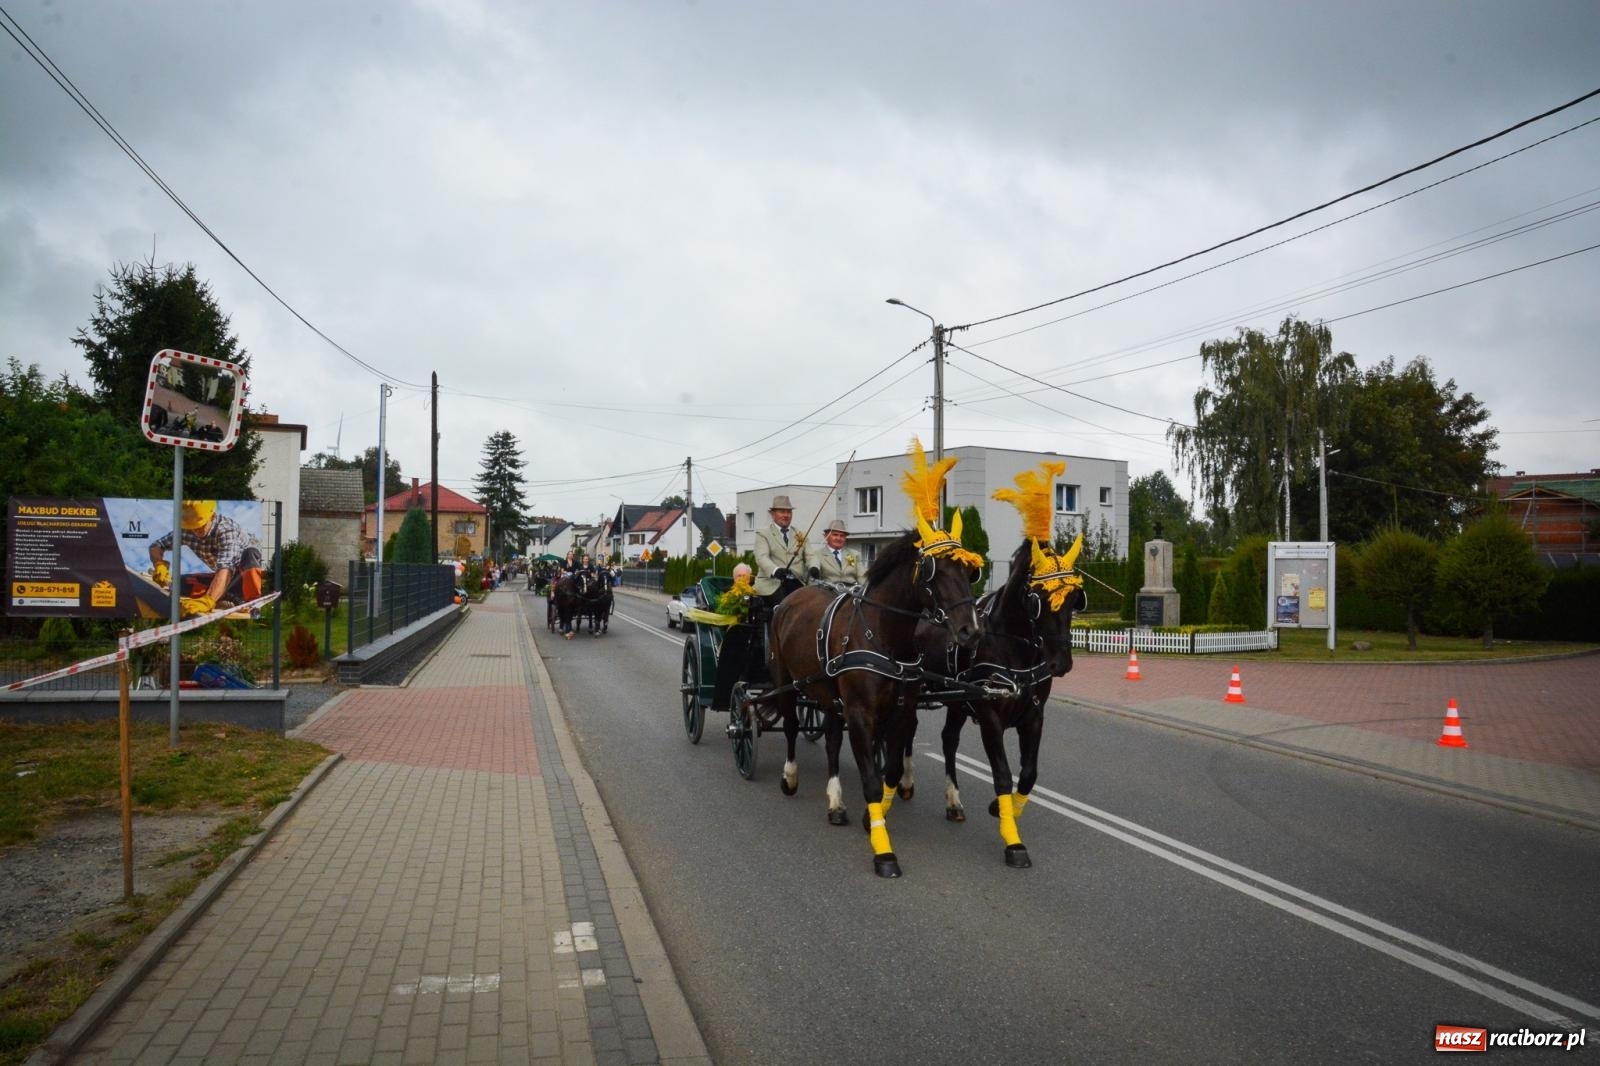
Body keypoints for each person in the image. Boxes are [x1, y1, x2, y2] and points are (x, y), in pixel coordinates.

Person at [148, 500, 264, 618]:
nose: (196, 530)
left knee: (251, 553)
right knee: (180, 583)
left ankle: (252, 602)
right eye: (192, 527)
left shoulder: (226, 530)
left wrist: (208, 600)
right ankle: (229, 597)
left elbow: (226, 568)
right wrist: (159, 564)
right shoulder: (187, 529)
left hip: (242, 577)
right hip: (222, 578)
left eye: (201, 525)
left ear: (212, 516)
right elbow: (156, 546)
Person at [752, 494, 808, 596]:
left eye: (789, 512)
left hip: (797, 583)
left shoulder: (801, 534)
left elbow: (811, 556)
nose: (786, 515)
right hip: (771, 585)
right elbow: (761, 557)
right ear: (773, 514)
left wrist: (814, 567)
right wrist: (775, 570)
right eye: (782, 511)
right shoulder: (763, 533)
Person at [807, 519, 863, 586]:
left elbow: (862, 577)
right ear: (826, 536)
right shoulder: (817, 554)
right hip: (828, 592)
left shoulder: (854, 554)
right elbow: (812, 578)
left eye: (842, 536)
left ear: (845, 538)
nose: (838, 538)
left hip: (851, 593)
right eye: (835, 535)